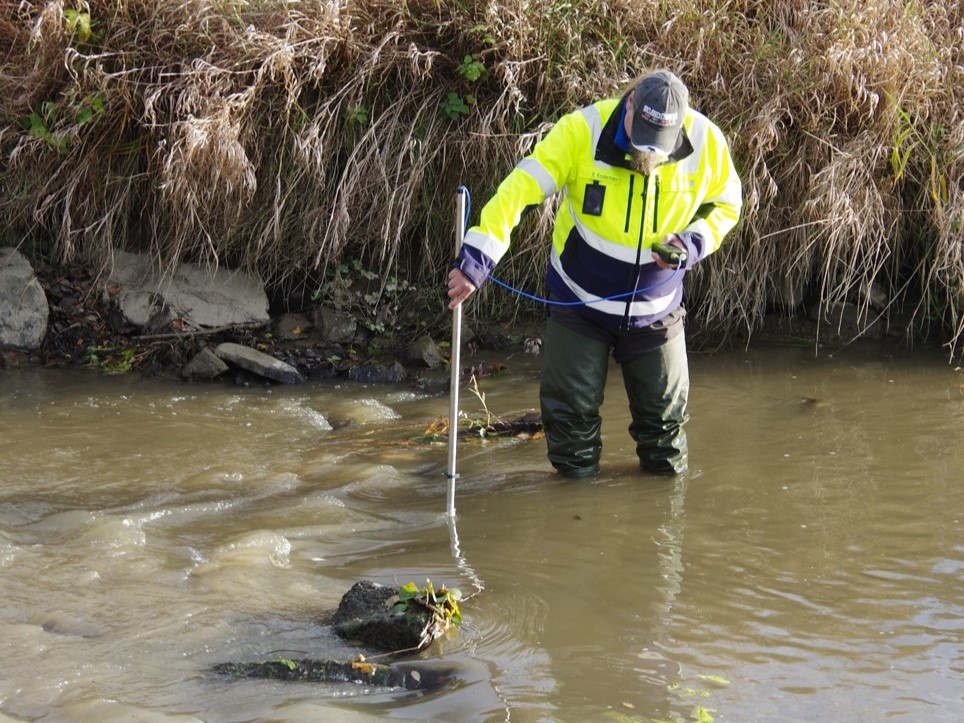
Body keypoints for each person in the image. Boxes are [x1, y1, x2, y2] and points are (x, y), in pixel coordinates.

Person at [447, 70, 742, 478]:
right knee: (570, 432)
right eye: (640, 135)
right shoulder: (581, 131)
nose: (648, 151)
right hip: (578, 303)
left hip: (657, 311)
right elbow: (518, 191)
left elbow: (727, 206)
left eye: (659, 144)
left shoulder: (706, 143)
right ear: (631, 102)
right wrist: (475, 261)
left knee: (666, 440)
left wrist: (691, 244)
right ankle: (573, 521)